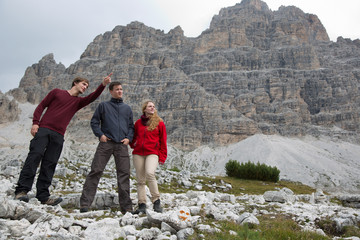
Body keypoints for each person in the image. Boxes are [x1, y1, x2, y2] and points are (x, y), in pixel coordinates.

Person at [14, 74, 112, 206]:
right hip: (44, 130)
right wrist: (35, 123)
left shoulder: (78, 102)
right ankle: (21, 191)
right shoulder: (57, 92)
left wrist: (103, 84)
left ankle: (43, 196)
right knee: (34, 157)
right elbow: (41, 106)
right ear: (75, 83)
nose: (85, 88)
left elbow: (92, 97)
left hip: (59, 135)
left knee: (50, 163)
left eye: (87, 86)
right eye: (84, 84)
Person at [80, 81, 134, 214]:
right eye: (117, 89)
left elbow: (131, 127)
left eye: (121, 89)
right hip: (106, 143)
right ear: (110, 91)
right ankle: (85, 204)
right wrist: (100, 135)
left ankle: (126, 207)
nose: (120, 91)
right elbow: (94, 122)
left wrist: (128, 138)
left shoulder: (127, 108)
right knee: (96, 171)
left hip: (122, 145)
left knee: (124, 174)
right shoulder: (103, 106)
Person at [130, 100, 167, 214]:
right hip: (138, 154)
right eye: (150, 106)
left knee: (150, 173)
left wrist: (162, 156)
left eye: (153, 107)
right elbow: (134, 136)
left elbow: (163, 141)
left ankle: (156, 202)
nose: (152, 108)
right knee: (140, 180)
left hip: (152, 153)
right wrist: (133, 144)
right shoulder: (138, 123)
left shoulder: (159, 123)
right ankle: (142, 205)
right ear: (144, 109)